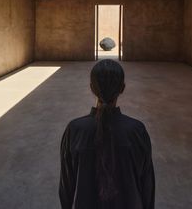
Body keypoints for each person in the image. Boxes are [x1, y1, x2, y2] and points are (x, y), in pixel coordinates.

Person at [59, 59, 155, 209]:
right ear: (122, 88)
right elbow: (147, 186)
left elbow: (66, 188)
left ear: (91, 88)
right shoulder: (136, 131)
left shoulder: (75, 130)